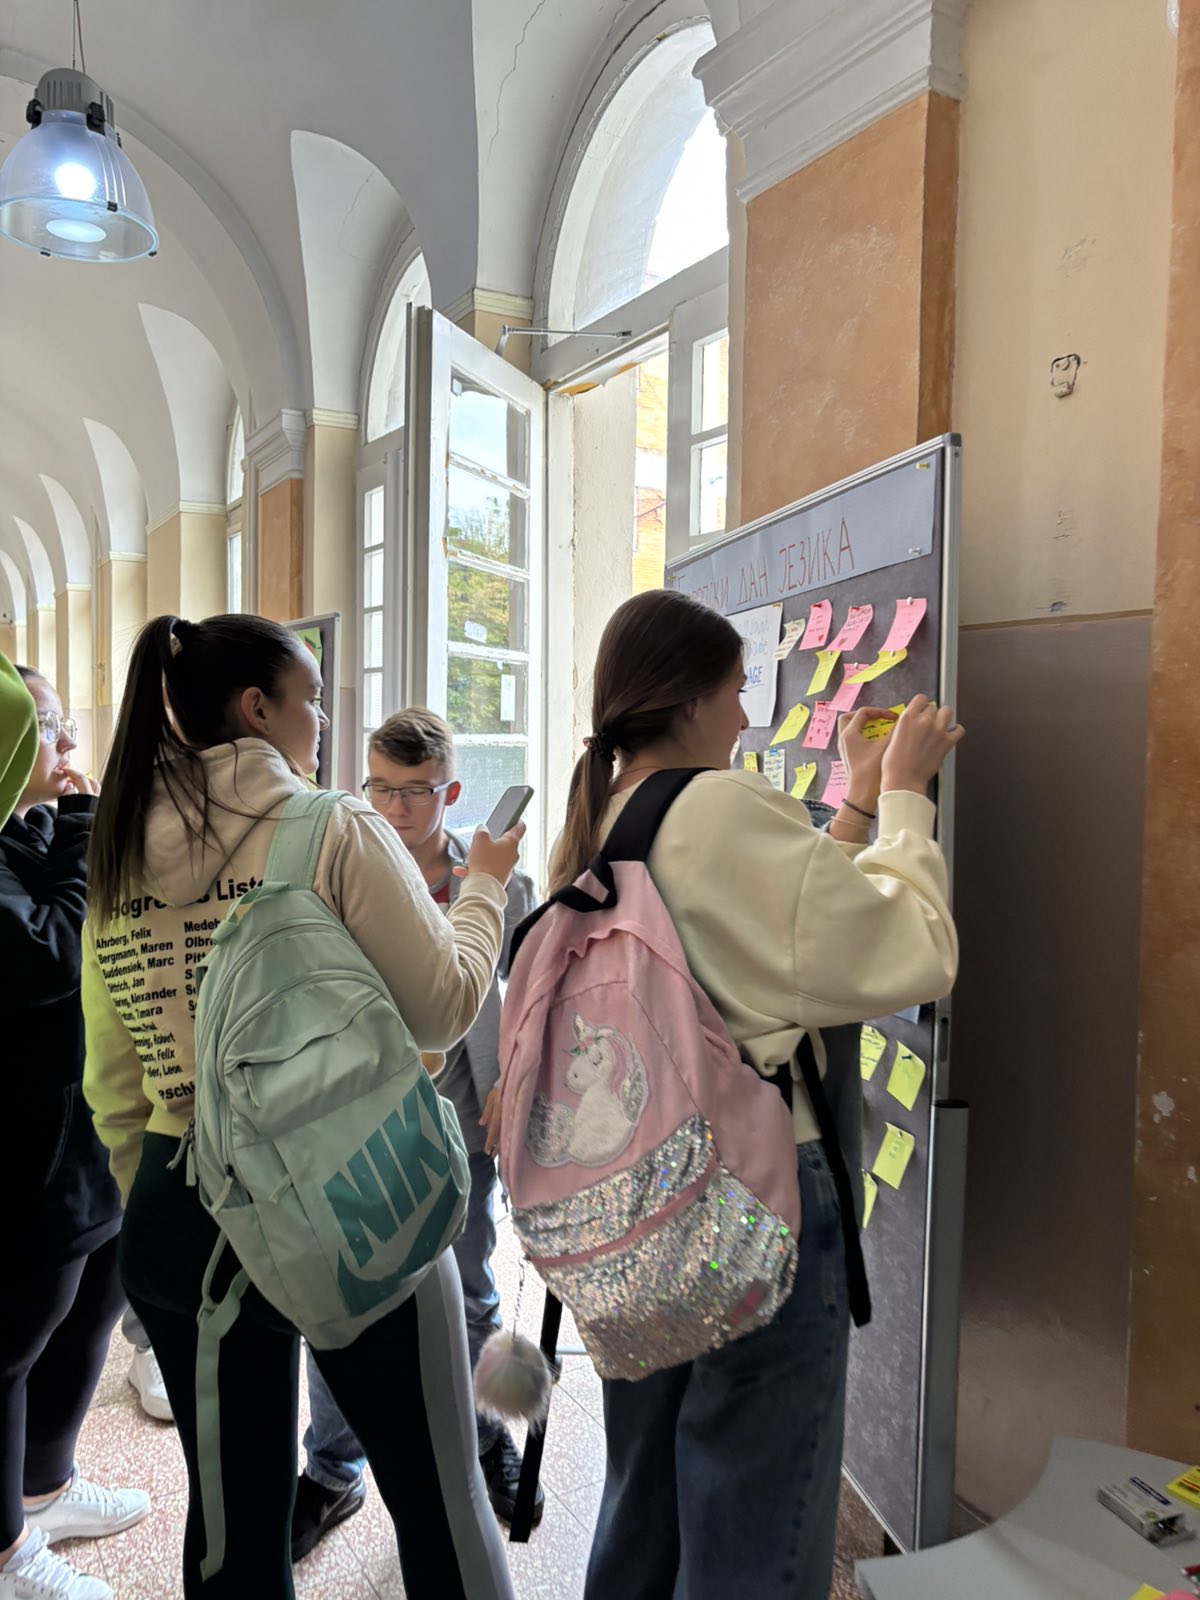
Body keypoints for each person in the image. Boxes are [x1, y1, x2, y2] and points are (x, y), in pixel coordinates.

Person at [81, 614, 522, 1600]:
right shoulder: (331, 825)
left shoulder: (115, 847)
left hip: (176, 1204)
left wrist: (163, 1194)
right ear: (257, 708)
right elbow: (443, 1008)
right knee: (435, 1495)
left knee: (232, 1524)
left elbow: (111, 1080)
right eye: (310, 698)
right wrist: (485, 888)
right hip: (346, 1182)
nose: (321, 722)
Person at [543, 589, 963, 1600]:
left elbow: (776, 927)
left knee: (644, 1496)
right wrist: (908, 796)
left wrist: (852, 805)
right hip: (750, 1201)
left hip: (634, 1199)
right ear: (688, 696)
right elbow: (913, 949)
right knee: (753, 1521)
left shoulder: (606, 816)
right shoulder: (717, 804)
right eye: (735, 692)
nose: (745, 716)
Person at [295, 710, 538, 1560]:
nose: (397, 810)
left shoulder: (498, 874)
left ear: (452, 791)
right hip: (365, 1120)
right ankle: (330, 1469)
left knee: (470, 1289)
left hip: (465, 1121)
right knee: (344, 1299)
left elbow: (528, 994)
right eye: (381, 790)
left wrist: (513, 1081)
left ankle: (483, 1444)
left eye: (416, 792)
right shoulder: (343, 868)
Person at [1, 668, 149, 1600]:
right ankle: (7, 1553)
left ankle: (43, 1487)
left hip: (77, 1128)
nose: (67, 750)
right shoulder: (35, 837)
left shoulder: (23, 830)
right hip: (23, 1152)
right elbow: (53, 952)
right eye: (47, 732)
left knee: (89, 1309)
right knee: (11, 1346)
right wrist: (88, 823)